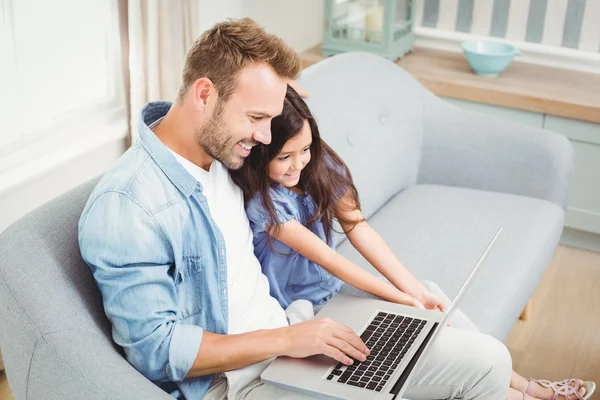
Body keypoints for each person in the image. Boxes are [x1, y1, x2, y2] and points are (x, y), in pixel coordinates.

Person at [78, 17, 553, 400]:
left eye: (269, 118)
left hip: (295, 337)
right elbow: (155, 350)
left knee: (488, 363)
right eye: (257, 119)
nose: (265, 137)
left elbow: (286, 127)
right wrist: (288, 341)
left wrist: (276, 102)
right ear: (204, 95)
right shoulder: (130, 206)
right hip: (239, 382)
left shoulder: (223, 152)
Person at [231, 85, 594, 400]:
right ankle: (526, 391)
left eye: (306, 149)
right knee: (411, 311)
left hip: (333, 293)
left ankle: (523, 386)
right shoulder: (266, 203)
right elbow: (328, 258)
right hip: (303, 314)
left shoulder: (318, 166)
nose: (299, 164)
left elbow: (358, 228)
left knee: (431, 298)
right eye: (285, 157)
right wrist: (399, 297)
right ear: (263, 152)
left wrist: (414, 292)